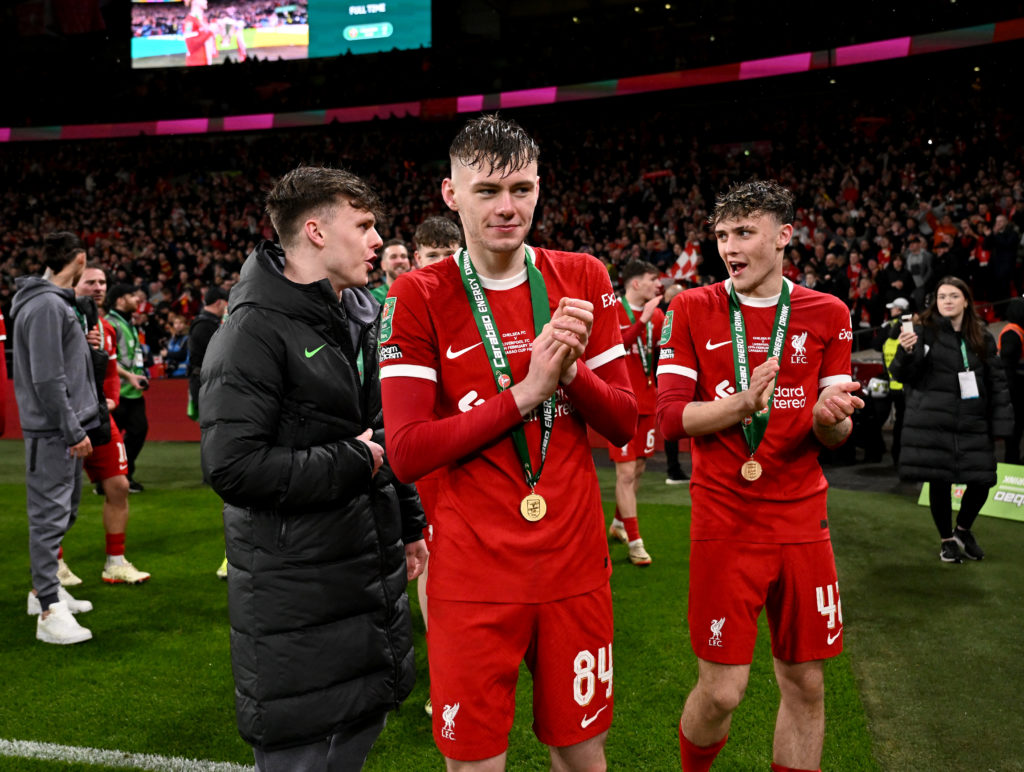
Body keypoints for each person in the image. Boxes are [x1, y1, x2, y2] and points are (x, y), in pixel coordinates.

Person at [380, 114, 637, 770]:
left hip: (575, 571)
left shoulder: (582, 275)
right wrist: (528, 391)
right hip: (471, 579)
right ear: (450, 193)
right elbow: (407, 451)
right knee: (473, 764)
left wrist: (572, 373)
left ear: (540, 188)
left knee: (582, 755)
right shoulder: (415, 295)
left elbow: (626, 423)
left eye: (521, 189)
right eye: (488, 190)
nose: (506, 206)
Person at [199, 165, 428, 770]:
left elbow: (381, 431)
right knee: (305, 750)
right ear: (316, 232)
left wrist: (408, 523)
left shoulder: (357, 316)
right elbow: (232, 467)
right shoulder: (250, 331)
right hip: (297, 591)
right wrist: (353, 459)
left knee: (354, 730)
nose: (379, 240)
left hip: (359, 568)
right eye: (365, 225)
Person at [656, 180, 862, 772]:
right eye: (722, 235)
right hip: (726, 519)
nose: (730, 247)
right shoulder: (691, 308)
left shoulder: (829, 312)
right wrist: (744, 405)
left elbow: (834, 433)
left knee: (806, 685)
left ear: (783, 236)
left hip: (802, 519)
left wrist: (829, 420)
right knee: (723, 692)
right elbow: (671, 418)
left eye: (744, 232)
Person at [11, 232, 100, 645]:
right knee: (49, 520)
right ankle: (48, 610)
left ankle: (40, 592)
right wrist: (73, 429)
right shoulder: (47, 306)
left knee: (63, 514)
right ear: (79, 260)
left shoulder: (51, 303)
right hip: (55, 432)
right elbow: (48, 379)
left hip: (60, 429)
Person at [890, 276, 1012, 563]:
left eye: (954, 296)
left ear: (966, 301)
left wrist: (1003, 423)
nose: (947, 301)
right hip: (934, 422)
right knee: (940, 482)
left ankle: (963, 530)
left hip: (973, 422)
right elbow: (903, 375)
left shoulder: (983, 336)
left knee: (983, 480)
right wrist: (907, 352)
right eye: (942, 296)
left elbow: (997, 383)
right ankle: (947, 540)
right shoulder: (922, 332)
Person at [406, 214, 464, 718]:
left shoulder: (482, 303)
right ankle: (440, 672)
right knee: (428, 560)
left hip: (477, 454)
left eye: (450, 253)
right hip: (425, 457)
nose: (441, 263)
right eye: (432, 254)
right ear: (414, 257)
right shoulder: (399, 305)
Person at [73, 265, 152, 584]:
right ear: (73, 284)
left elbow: (109, 371)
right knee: (62, 495)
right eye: (90, 281)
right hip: (66, 418)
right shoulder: (61, 321)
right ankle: (55, 565)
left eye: (102, 282)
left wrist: (112, 400)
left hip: (100, 416)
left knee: (119, 485)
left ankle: (115, 562)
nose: (98, 287)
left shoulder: (105, 327)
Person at [607, 259, 663, 566]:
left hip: (649, 401)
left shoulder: (658, 315)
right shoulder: (612, 310)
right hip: (621, 403)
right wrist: (640, 321)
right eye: (653, 279)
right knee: (626, 472)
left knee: (639, 468)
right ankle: (636, 542)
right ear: (636, 283)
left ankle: (618, 524)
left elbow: (665, 353)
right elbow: (617, 347)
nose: (659, 286)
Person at [185, 285, 229, 578]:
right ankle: (211, 472)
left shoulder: (201, 325)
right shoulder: (206, 326)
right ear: (221, 302)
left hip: (204, 384)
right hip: (207, 385)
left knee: (212, 432)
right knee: (212, 432)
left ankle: (211, 471)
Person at [107, 283, 149, 493]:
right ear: (120, 300)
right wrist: (130, 376)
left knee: (138, 431)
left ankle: (123, 475)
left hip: (132, 391)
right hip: (116, 392)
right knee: (110, 439)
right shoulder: (110, 324)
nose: (137, 299)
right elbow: (107, 358)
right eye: (132, 295)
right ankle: (109, 479)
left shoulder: (128, 323)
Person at [660, 282, 690, 484]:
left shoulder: (661, 316)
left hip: (667, 375)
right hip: (673, 376)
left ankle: (674, 468)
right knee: (672, 421)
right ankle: (673, 469)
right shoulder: (666, 317)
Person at [187, 285, 229, 420]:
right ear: (218, 302)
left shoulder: (204, 323)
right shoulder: (205, 325)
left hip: (205, 381)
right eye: (225, 303)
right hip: (206, 383)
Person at [998, 297, 1024, 464]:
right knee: (1014, 433)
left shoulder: (1017, 331)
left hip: (1016, 389)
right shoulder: (1012, 333)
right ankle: (1012, 464)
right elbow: (1008, 366)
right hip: (1015, 392)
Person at [370, 239, 411, 303]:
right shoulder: (373, 298)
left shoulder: (420, 293)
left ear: (408, 263)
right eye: (393, 257)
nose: (400, 261)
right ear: (383, 265)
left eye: (403, 256)